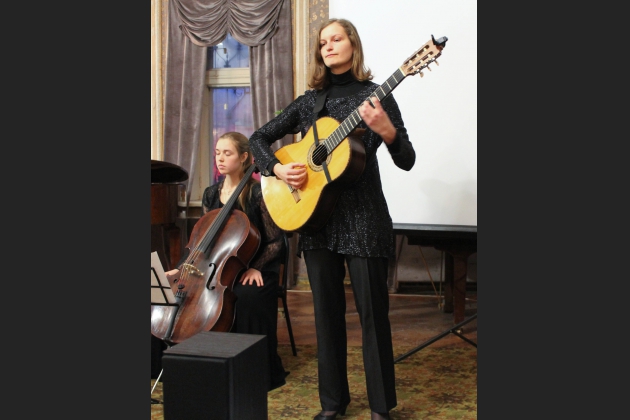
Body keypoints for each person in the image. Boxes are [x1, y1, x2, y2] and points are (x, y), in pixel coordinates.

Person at [248, 18, 416, 420]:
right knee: (326, 318)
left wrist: (388, 132)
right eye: (322, 42)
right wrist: (277, 168)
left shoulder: (375, 96)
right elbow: (257, 139)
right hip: (316, 221)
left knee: (373, 317)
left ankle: (380, 408)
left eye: (336, 38)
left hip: (364, 218)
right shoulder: (310, 102)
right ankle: (333, 404)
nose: (327, 46)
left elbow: (407, 159)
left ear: (352, 44)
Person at [164, 131, 288, 392]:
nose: (220, 158)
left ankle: (254, 371)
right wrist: (182, 268)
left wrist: (256, 268)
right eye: (217, 153)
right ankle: (199, 361)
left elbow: (276, 241)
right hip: (218, 267)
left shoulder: (258, 193)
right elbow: (200, 239)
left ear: (244, 157)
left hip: (256, 265)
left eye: (227, 153)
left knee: (248, 296)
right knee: (183, 295)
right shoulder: (211, 193)